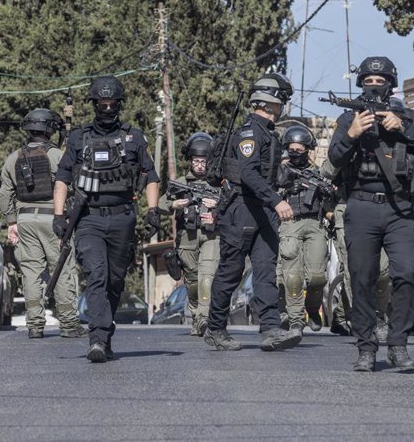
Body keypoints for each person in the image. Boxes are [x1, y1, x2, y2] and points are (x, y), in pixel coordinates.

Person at [328, 56, 414, 372]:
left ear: (390, 84)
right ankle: (366, 348)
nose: (374, 86)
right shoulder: (349, 118)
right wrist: (352, 133)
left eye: (380, 81)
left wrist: (402, 127)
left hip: (399, 208)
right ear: (360, 83)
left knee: (405, 273)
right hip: (361, 206)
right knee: (362, 279)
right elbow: (335, 159)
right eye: (368, 81)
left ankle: (399, 345)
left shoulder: (404, 115)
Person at [53, 76, 160, 363]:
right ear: (94, 104)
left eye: (112, 103)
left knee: (115, 280)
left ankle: (105, 334)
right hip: (88, 219)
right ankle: (97, 338)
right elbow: (63, 177)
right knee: (97, 276)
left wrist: (152, 210)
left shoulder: (134, 137)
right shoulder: (77, 137)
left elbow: (150, 176)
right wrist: (59, 214)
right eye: (102, 103)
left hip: (123, 217)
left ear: (120, 104)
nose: (108, 108)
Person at [204, 72, 302, 351]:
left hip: (263, 212)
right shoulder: (249, 133)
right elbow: (247, 173)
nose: (284, 106)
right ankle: (215, 328)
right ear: (271, 102)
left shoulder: (269, 134)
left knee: (265, 271)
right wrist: (276, 200)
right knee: (231, 272)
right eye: (282, 100)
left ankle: (271, 329)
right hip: (242, 209)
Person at [0, 108, 86, 339]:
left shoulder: (13, 158)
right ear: (50, 130)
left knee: (30, 272)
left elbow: (5, 193)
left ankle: (35, 325)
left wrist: (11, 221)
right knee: (62, 269)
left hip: (25, 219)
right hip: (53, 218)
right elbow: (73, 185)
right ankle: (68, 324)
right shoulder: (57, 155)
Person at [319, 158, 391, 339]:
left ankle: (345, 315)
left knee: (383, 270)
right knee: (355, 269)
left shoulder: (385, 139)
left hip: (379, 207)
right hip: (347, 206)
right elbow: (326, 172)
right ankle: (368, 319)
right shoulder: (348, 137)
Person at [158, 132, 219, 337]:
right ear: (191, 161)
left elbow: (235, 206)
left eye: (203, 161)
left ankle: (203, 318)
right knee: (193, 281)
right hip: (187, 238)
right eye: (196, 161)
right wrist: (174, 204)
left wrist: (218, 206)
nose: (200, 165)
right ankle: (195, 313)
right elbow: (161, 204)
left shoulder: (218, 185)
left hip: (211, 236)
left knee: (206, 279)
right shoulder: (181, 183)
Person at [276, 125, 332, 336]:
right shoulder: (280, 171)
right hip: (290, 223)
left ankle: (311, 308)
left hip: (314, 224)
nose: (296, 154)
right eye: (292, 150)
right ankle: (296, 320)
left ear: (308, 150)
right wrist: (288, 188)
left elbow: (329, 203)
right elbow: (270, 194)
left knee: (318, 277)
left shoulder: (317, 173)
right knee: (293, 278)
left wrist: (326, 192)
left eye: (300, 150)